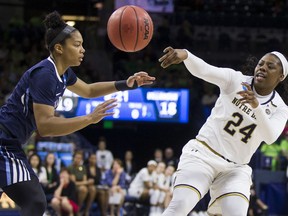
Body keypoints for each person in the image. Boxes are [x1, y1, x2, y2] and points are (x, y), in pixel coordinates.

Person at [0, 11, 155, 216]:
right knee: (35, 202)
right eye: (77, 44)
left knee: (34, 202)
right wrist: (89, 119)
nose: (83, 50)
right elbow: (45, 126)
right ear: (59, 48)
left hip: (10, 142)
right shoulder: (45, 75)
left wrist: (125, 84)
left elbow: (89, 90)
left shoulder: (62, 74)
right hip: (4, 143)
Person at [158, 47, 288, 216]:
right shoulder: (236, 80)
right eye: (260, 64)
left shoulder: (281, 108)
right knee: (180, 206)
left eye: (270, 66)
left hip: (236, 168)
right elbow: (205, 70)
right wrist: (187, 55)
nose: (262, 67)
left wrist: (256, 107)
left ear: (281, 76)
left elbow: (270, 137)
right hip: (203, 155)